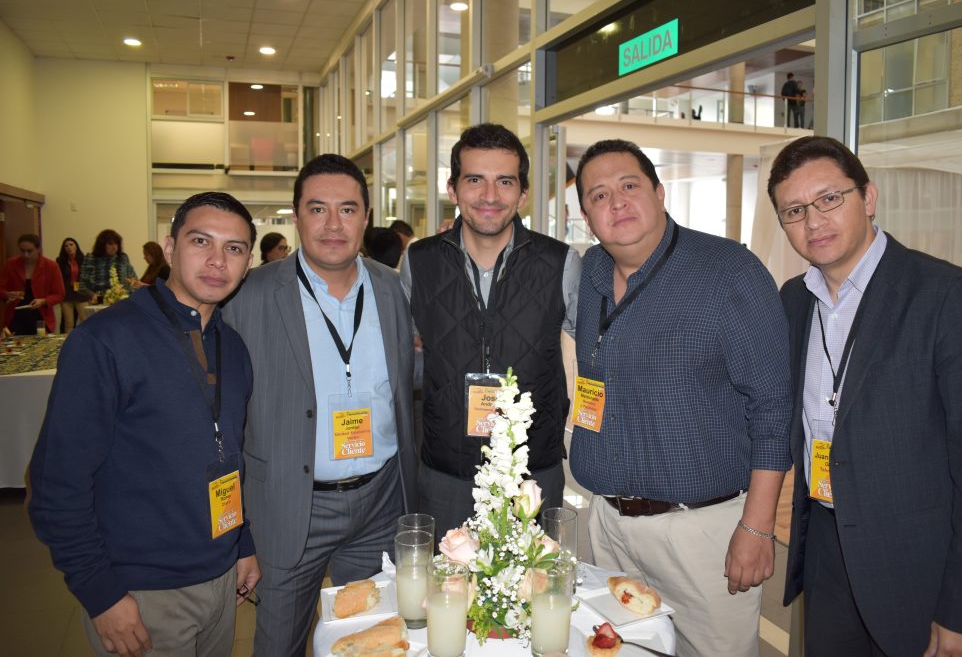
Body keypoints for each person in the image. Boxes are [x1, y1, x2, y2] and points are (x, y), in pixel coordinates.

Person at [768, 136, 962, 657]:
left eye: (829, 199)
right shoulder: (794, 301)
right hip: (826, 552)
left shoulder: (948, 295)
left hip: (919, 568)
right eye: (794, 211)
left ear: (869, 197)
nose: (813, 221)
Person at [569, 139, 791, 656]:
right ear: (586, 217)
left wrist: (757, 527)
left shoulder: (728, 271)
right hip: (608, 525)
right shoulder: (592, 274)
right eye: (599, 195)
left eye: (629, 186)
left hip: (701, 532)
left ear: (659, 191)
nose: (616, 202)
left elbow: (773, 406)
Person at [28, 192, 260, 657]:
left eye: (233, 248)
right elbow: (56, 482)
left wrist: (242, 542)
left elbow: (226, 454)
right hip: (141, 593)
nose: (217, 260)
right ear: (169, 248)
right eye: (201, 241)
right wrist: (100, 593)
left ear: (247, 263)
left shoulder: (232, 346)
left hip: (221, 578)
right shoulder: (106, 340)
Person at [223, 153, 416, 657]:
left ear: (366, 217)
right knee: (280, 642)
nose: (333, 224)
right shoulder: (248, 295)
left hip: (380, 502)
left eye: (347, 210)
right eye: (317, 209)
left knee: (370, 640)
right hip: (291, 503)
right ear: (296, 216)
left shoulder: (392, 288)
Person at [400, 123, 581, 537]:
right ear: (453, 189)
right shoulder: (419, 262)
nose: (489, 196)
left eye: (505, 181)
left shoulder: (560, 263)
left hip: (532, 471)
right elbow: (406, 352)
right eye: (475, 180)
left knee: (534, 576)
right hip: (446, 473)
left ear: (523, 193)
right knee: (449, 577)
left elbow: (592, 351)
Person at [1, 233, 65, 335]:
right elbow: (1, 288)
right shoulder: (11, 264)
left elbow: (60, 294)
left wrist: (44, 301)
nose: (25, 255)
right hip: (15, 317)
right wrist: (6, 294)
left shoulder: (51, 266)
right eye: (22, 251)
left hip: (40, 317)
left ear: (39, 249)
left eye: (29, 251)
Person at [81, 229, 138, 302]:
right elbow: (82, 286)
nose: (114, 247)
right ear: (102, 245)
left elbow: (134, 280)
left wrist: (131, 286)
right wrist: (93, 295)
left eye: (116, 244)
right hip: (99, 302)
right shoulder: (91, 259)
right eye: (110, 244)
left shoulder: (123, 258)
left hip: (122, 302)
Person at [55, 237, 90, 332]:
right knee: (69, 322)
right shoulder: (60, 261)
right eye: (66, 246)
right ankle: (68, 339)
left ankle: (85, 339)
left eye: (71, 245)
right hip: (67, 294)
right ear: (64, 249)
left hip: (81, 293)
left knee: (85, 320)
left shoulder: (84, 259)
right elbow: (58, 278)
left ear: (76, 246)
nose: (69, 247)